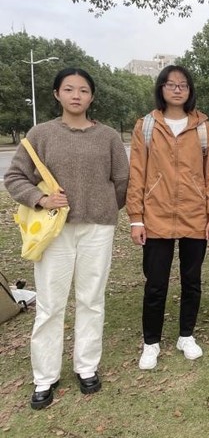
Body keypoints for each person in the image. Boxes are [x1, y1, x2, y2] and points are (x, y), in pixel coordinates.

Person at [4, 68, 129, 409]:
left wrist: (104, 206)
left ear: (92, 96)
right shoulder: (41, 134)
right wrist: (41, 199)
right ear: (57, 94)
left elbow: (121, 181)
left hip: (97, 229)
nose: (77, 95)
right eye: (69, 89)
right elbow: (15, 177)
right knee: (50, 303)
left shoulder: (108, 137)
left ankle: (86, 366)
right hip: (54, 231)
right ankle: (45, 377)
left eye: (83, 90)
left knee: (91, 299)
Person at [127, 65, 209, 370]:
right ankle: (151, 342)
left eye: (183, 84)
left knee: (191, 281)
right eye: (171, 84)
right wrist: (136, 218)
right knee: (155, 283)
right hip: (156, 216)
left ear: (190, 90)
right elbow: (137, 173)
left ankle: (186, 335)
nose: (177, 89)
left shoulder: (202, 127)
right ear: (161, 88)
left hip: (195, 215)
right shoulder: (146, 126)